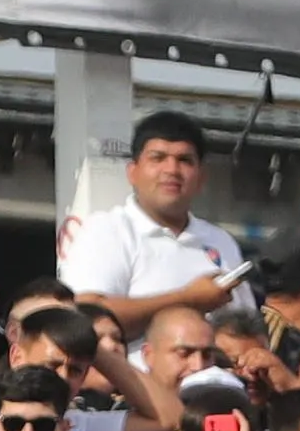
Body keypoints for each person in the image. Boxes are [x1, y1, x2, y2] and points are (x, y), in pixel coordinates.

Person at [54, 111, 243, 331]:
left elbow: (243, 324)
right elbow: (84, 316)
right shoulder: (108, 230)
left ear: (201, 178)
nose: (172, 170)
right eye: (158, 158)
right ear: (132, 172)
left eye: (184, 160)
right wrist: (189, 300)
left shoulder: (221, 241)